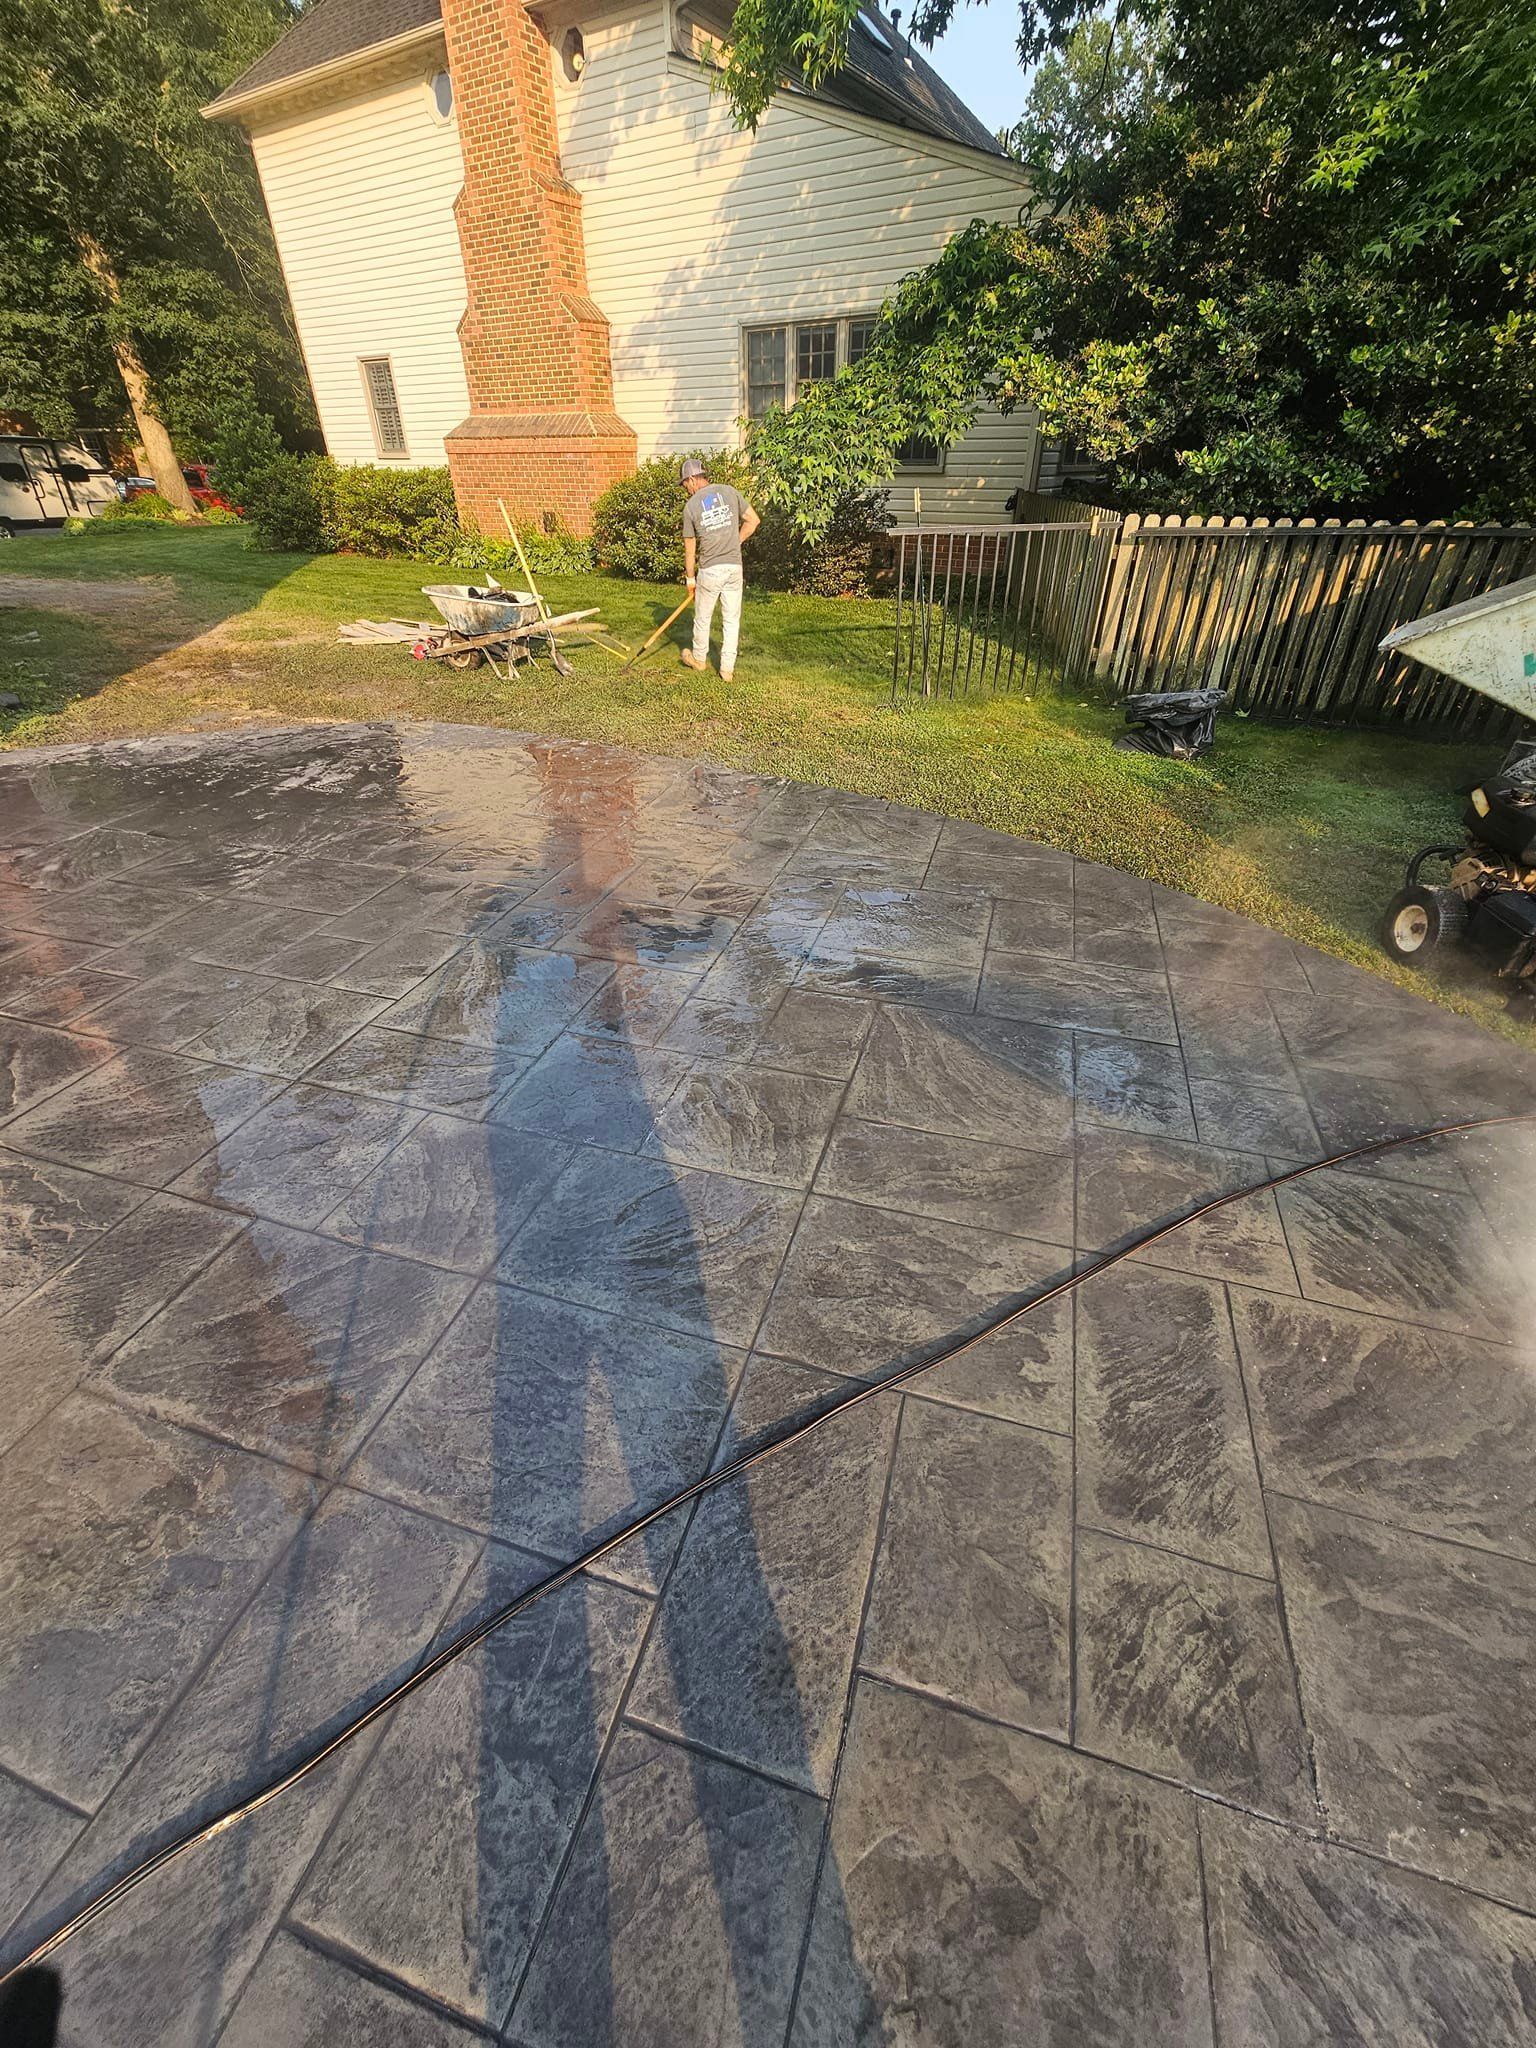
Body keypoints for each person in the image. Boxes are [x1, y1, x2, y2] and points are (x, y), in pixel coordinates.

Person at [679, 456, 759, 682]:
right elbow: (753, 521)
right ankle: (727, 670)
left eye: (685, 483)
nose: (686, 489)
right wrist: (736, 542)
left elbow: (690, 547)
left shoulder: (691, 506)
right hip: (734, 567)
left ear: (693, 479)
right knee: (731, 619)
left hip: (710, 570)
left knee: (703, 617)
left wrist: (690, 578)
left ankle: (699, 659)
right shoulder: (729, 491)